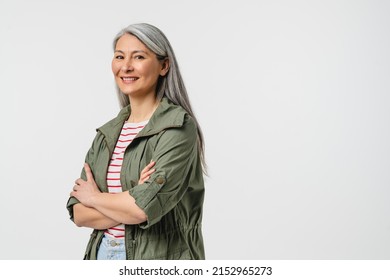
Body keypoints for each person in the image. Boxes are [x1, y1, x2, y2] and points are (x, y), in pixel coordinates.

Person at [66, 23, 206, 260]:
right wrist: (131, 196)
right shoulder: (107, 134)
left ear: (164, 65)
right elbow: (79, 213)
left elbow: (142, 209)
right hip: (101, 254)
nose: (126, 66)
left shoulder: (177, 128)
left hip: (159, 258)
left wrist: (96, 198)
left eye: (139, 56)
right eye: (119, 56)